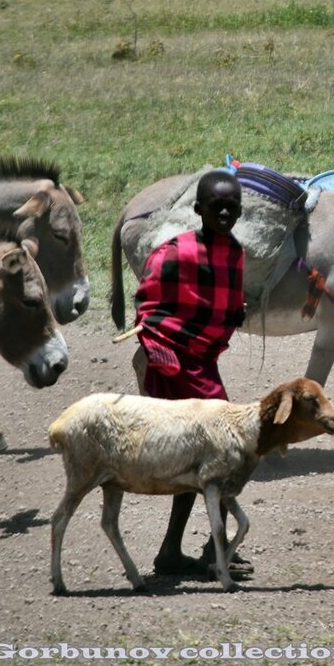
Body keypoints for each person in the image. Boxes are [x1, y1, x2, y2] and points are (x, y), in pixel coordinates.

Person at [133, 168, 249, 577]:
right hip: (175, 364)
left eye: (231, 207)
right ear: (198, 209)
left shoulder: (235, 252)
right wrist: (157, 347)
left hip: (204, 363)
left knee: (210, 456)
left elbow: (227, 305)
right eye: (216, 206)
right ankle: (209, 550)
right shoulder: (175, 253)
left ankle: (181, 550)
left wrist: (234, 316)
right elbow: (149, 306)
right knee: (221, 451)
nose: (224, 213)